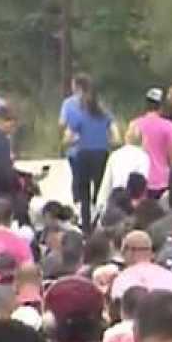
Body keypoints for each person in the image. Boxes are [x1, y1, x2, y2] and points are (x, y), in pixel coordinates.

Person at [62, 73, 116, 232]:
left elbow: (68, 138)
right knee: (101, 192)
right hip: (101, 154)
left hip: (83, 155)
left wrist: (75, 141)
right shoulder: (106, 115)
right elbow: (116, 135)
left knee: (84, 194)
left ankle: (86, 228)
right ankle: (100, 223)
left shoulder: (79, 116)